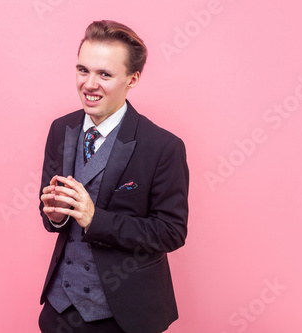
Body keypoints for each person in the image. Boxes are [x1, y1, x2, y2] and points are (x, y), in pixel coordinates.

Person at [38, 20, 189, 333]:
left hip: (124, 317)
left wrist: (96, 219)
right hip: (58, 311)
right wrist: (54, 216)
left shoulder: (163, 147)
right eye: (83, 70)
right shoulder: (59, 129)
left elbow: (171, 232)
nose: (89, 84)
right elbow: (53, 216)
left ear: (132, 79)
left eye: (104, 74)